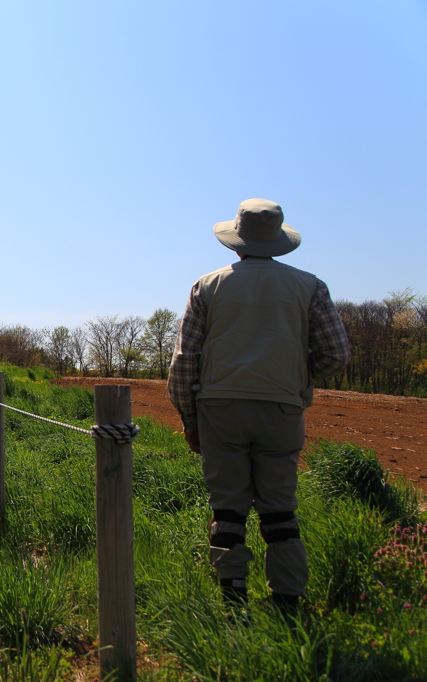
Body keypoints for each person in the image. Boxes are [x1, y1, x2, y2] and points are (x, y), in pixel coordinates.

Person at [168, 198, 350, 611]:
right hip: (282, 409)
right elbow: (336, 354)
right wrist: (297, 376)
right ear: (279, 241)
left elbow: (184, 362)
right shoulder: (310, 286)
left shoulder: (207, 286)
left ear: (236, 242)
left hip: (220, 408)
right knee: (280, 510)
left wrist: (189, 419)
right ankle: (288, 600)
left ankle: (234, 601)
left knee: (228, 509)